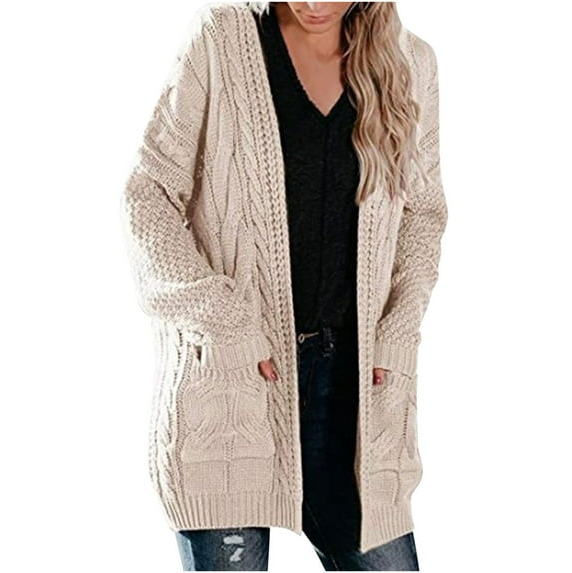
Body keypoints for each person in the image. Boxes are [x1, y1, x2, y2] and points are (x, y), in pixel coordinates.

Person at [120, 1, 448, 570]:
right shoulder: (222, 40)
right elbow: (148, 195)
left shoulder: (409, 62)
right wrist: (225, 320)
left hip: (353, 395)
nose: (315, 4)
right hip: (235, 383)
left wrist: (399, 327)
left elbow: (423, 214)